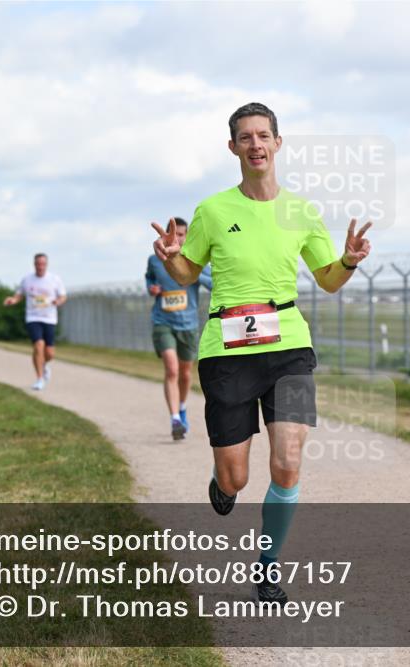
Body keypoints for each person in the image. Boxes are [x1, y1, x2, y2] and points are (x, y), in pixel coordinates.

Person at [152, 102, 372, 605]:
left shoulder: (302, 212)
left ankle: (269, 566)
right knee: (238, 474)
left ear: (277, 143)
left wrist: (349, 262)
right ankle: (222, 482)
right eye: (245, 137)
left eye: (263, 136)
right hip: (226, 351)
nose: (255, 144)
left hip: (289, 347)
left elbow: (329, 281)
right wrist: (172, 260)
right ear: (233, 147)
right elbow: (188, 273)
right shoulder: (213, 210)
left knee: (288, 461)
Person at [146, 218, 213, 440]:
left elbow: (213, 284)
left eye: (182, 234)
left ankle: (182, 407)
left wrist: (193, 269)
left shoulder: (195, 261)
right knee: (172, 370)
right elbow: (149, 279)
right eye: (175, 233)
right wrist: (151, 288)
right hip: (163, 322)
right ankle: (175, 419)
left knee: (185, 373)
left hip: (188, 325)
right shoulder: (155, 260)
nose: (179, 237)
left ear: (187, 237)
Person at [3, 253, 67, 391]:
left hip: (49, 318)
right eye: (38, 264)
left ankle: (43, 364)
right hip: (33, 317)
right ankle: (39, 379)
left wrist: (58, 301)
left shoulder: (54, 279)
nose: (40, 267)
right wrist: (12, 300)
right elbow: (19, 295)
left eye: (43, 264)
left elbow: (63, 296)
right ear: (34, 264)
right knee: (38, 345)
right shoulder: (27, 280)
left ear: (47, 265)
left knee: (50, 353)